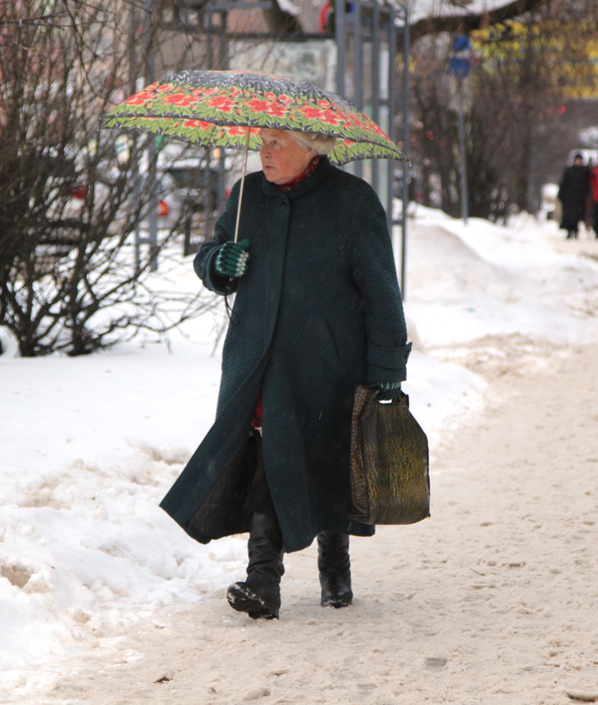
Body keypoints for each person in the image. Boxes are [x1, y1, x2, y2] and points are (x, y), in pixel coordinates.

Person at [160, 128, 411, 620]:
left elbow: (382, 292)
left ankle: (334, 562)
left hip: (327, 361)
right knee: (265, 454)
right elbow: (209, 256)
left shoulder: (353, 201)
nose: (265, 151)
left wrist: (387, 366)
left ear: (312, 147)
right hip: (256, 358)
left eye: (278, 142)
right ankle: (263, 580)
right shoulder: (246, 194)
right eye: (263, 141)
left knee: (326, 456)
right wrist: (219, 263)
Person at [557, 153, 591, 239]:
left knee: (577, 215)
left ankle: (575, 230)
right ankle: (569, 231)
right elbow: (563, 183)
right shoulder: (569, 170)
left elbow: (587, 184)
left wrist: (587, 194)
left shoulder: (584, 171)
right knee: (568, 215)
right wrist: (561, 194)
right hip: (569, 196)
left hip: (579, 197)